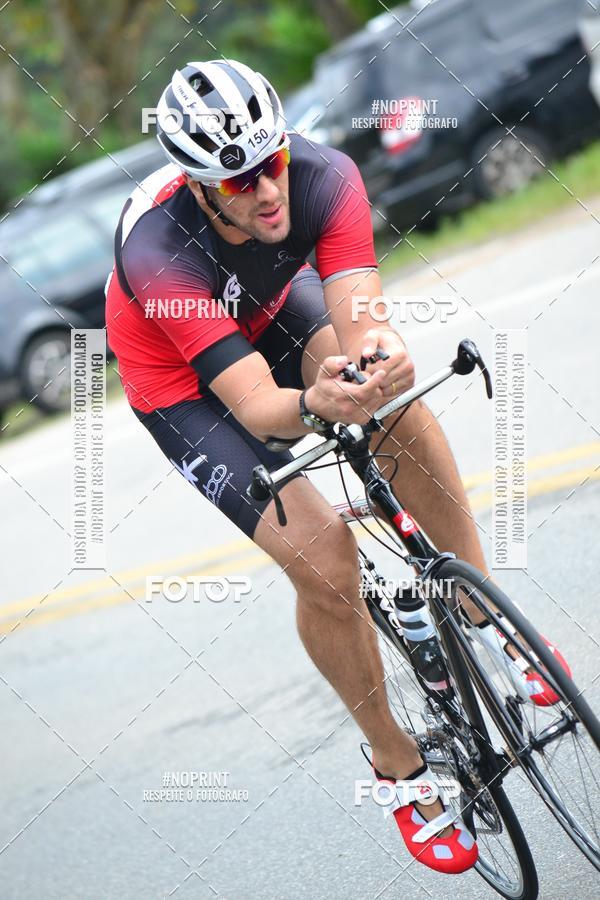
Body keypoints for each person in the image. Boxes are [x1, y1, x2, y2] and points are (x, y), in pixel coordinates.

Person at [105, 59, 567, 874]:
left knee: (398, 407)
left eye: (272, 161)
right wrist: (318, 403)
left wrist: (380, 360)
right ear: (202, 190)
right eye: (240, 180)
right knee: (324, 557)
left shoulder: (326, 176)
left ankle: (480, 613)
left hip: (272, 312)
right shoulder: (157, 253)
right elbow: (258, 407)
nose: (267, 191)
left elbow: (364, 326)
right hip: (186, 388)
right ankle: (396, 763)